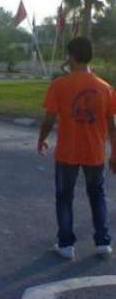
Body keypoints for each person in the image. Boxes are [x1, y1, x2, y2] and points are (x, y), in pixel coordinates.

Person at [38, 37, 116, 260]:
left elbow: (49, 120)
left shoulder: (59, 85)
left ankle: (66, 244)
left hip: (67, 153)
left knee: (64, 198)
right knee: (97, 195)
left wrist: (41, 139)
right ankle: (103, 242)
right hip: (95, 153)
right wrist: (115, 153)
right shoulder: (106, 88)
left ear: (71, 56)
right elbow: (112, 126)